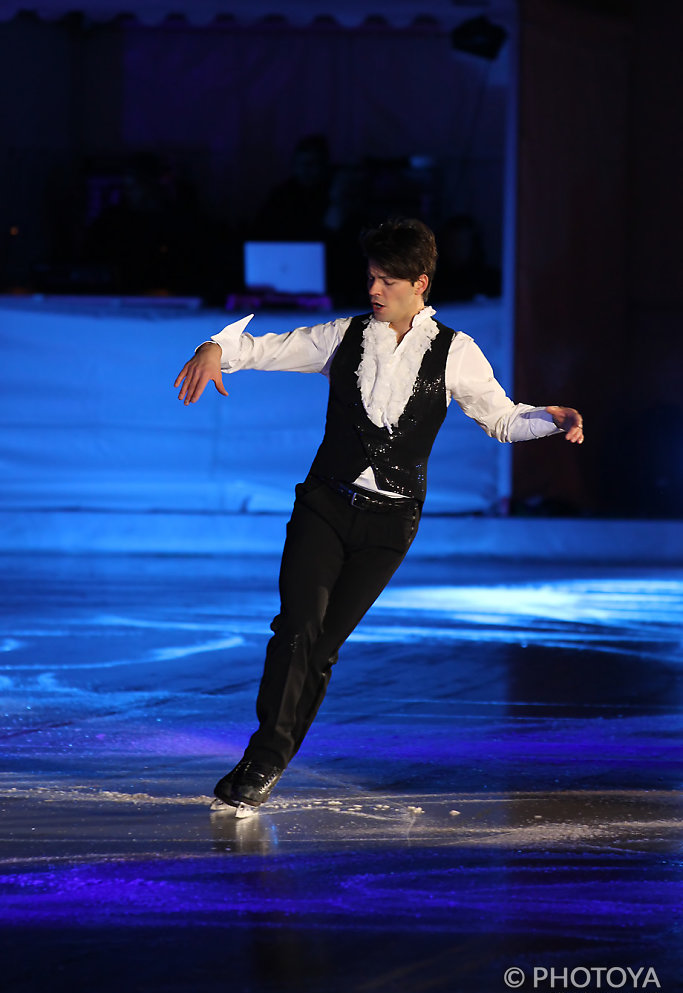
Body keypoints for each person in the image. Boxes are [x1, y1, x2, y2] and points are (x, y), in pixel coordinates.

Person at [174, 218, 583, 810]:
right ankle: (262, 760)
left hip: (390, 526)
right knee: (296, 630)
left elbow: (501, 419)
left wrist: (550, 418)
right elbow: (261, 348)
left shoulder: (456, 352)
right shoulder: (342, 337)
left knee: (323, 647)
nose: (375, 289)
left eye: (388, 280)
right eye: (371, 277)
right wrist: (213, 347)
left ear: (419, 283)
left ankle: (274, 754)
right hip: (324, 505)